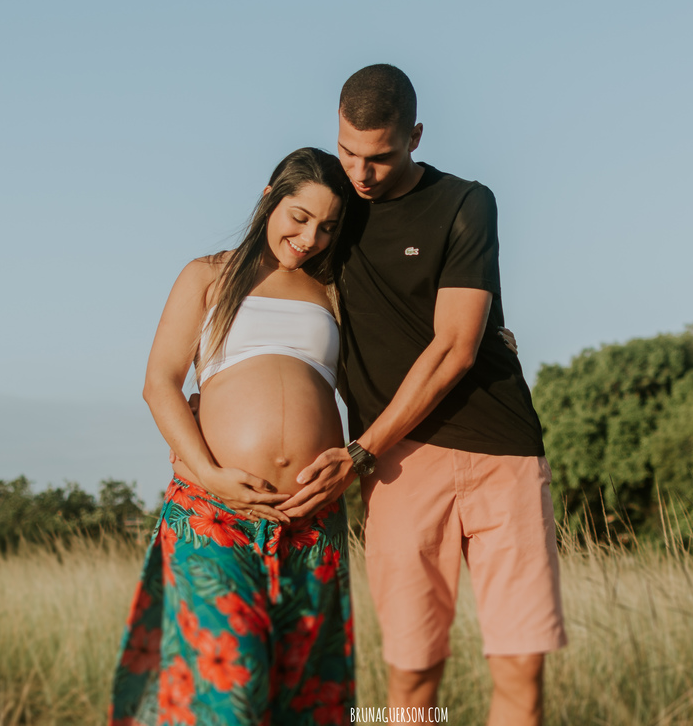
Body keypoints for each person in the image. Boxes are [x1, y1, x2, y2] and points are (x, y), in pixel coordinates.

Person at [279, 65, 567, 726]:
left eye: (379, 157)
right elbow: (270, 264)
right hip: (399, 467)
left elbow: (456, 346)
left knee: (520, 665)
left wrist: (359, 451)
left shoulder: (467, 202)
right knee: (411, 675)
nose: (361, 172)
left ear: (414, 136)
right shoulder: (334, 208)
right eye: (348, 151)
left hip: (499, 452)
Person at [109, 147, 356, 726]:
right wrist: (210, 471)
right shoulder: (206, 275)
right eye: (300, 217)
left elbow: (375, 385)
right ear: (271, 197)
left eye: (327, 227)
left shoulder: (333, 291)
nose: (310, 237)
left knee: (304, 700)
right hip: (214, 510)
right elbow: (160, 383)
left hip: (310, 518)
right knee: (230, 698)